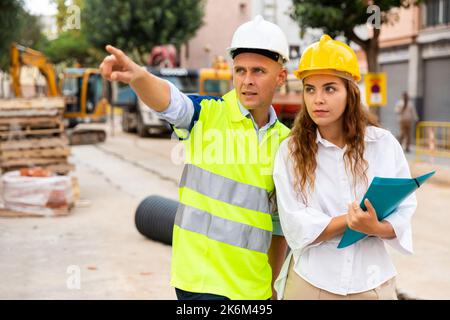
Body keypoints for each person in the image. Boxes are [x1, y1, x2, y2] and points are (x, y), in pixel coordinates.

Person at [99, 15, 290, 300]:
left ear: (281, 77)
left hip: (254, 286)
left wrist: (272, 287)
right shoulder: (207, 114)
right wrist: (140, 78)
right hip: (202, 283)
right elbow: (170, 101)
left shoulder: (287, 142)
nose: (247, 81)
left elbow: (277, 225)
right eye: (240, 71)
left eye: (258, 71)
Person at [272, 35, 418, 300]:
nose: (318, 99)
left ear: (350, 92)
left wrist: (375, 227)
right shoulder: (291, 151)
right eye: (310, 89)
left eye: (330, 88)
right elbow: (296, 224)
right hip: (311, 284)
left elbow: (404, 211)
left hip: (372, 284)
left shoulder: (382, 144)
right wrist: (353, 222)